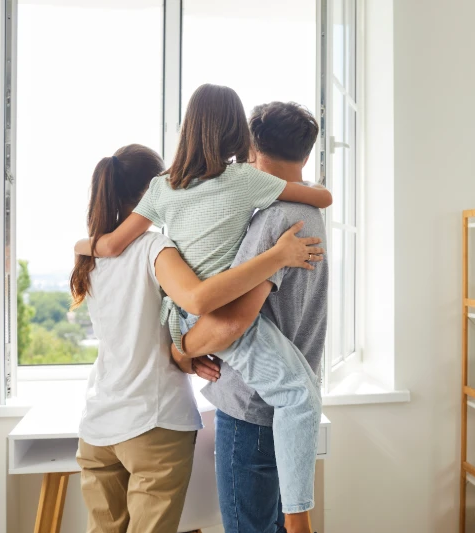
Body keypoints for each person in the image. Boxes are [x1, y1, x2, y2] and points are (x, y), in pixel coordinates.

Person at [74, 85, 328, 533]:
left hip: (163, 352)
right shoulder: (251, 188)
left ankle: (296, 516)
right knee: (301, 394)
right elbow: (215, 311)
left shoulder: (162, 190)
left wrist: (81, 246)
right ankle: (299, 519)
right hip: (202, 328)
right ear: (238, 139)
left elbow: (113, 245)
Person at [172, 101, 328, 533]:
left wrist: (181, 349)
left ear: (252, 149)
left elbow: (231, 322)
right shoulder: (309, 209)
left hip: (251, 410)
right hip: (280, 405)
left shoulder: (275, 219)